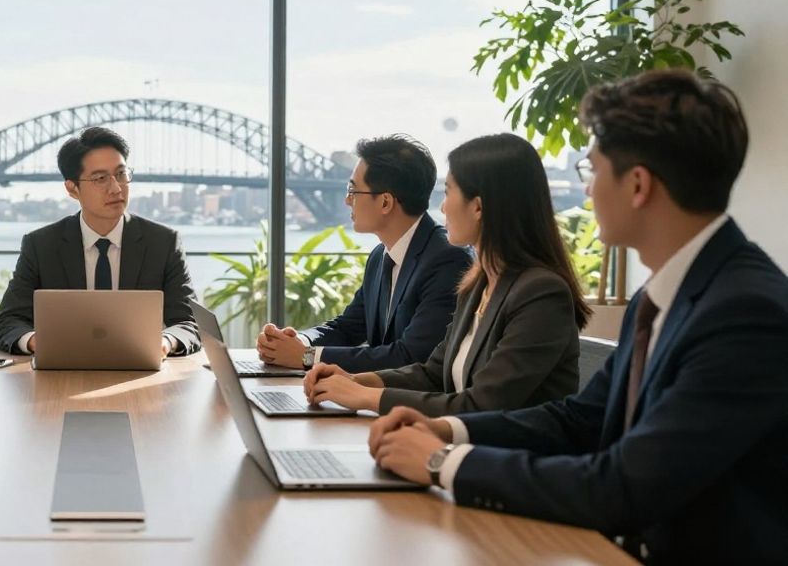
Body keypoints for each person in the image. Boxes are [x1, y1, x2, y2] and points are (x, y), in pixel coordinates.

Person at [367, 70, 788, 563]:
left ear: (637, 185)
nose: (586, 193)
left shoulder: (745, 313)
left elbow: (624, 486)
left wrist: (443, 462)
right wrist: (452, 431)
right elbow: (579, 420)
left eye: (592, 172)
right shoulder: (662, 295)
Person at [305, 133, 588, 416]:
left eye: (449, 192)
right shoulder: (478, 284)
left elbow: (482, 404)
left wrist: (367, 397)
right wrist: (353, 381)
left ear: (477, 207)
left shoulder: (541, 293)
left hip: (512, 455)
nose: (441, 207)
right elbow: (433, 373)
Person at [256, 135, 470, 372]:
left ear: (386, 203)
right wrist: (300, 341)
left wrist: (307, 357)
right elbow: (348, 327)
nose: (347, 200)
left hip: (408, 406)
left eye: (353, 190)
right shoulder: (381, 257)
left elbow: (411, 356)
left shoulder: (447, 260)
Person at [0, 127, 200, 356]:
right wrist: (35, 341)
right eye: (100, 178)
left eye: (121, 174)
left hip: (141, 373)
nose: (116, 188)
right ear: (72, 189)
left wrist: (166, 341)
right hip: (62, 373)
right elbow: (7, 322)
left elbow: (189, 323)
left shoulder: (163, 243)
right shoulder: (41, 246)